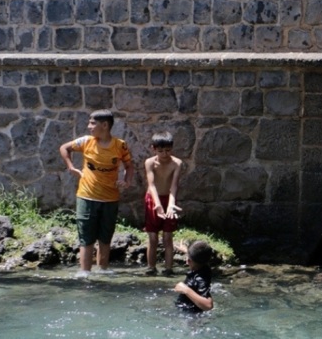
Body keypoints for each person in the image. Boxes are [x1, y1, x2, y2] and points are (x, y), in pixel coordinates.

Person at [59, 109, 135, 277]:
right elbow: (64, 148)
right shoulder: (86, 141)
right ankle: (84, 272)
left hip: (110, 198)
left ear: (105, 125)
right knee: (86, 237)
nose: (89, 126)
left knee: (105, 237)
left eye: (93, 123)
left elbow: (129, 166)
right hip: (87, 196)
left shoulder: (120, 145)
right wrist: (71, 167)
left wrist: (127, 181)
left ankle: (103, 270)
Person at [143, 131, 184, 276]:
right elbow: (152, 185)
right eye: (160, 151)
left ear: (172, 148)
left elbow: (174, 186)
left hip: (168, 199)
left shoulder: (176, 163)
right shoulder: (150, 162)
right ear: (153, 149)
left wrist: (171, 204)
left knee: (167, 237)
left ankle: (168, 269)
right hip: (152, 199)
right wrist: (158, 204)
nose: (164, 154)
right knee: (152, 237)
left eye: (167, 150)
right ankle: (151, 267)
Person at [174, 241, 215, 313]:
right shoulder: (204, 265)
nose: (186, 262)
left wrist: (186, 290)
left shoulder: (201, 279)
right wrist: (186, 251)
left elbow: (208, 305)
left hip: (191, 314)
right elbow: (199, 255)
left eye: (189, 260)